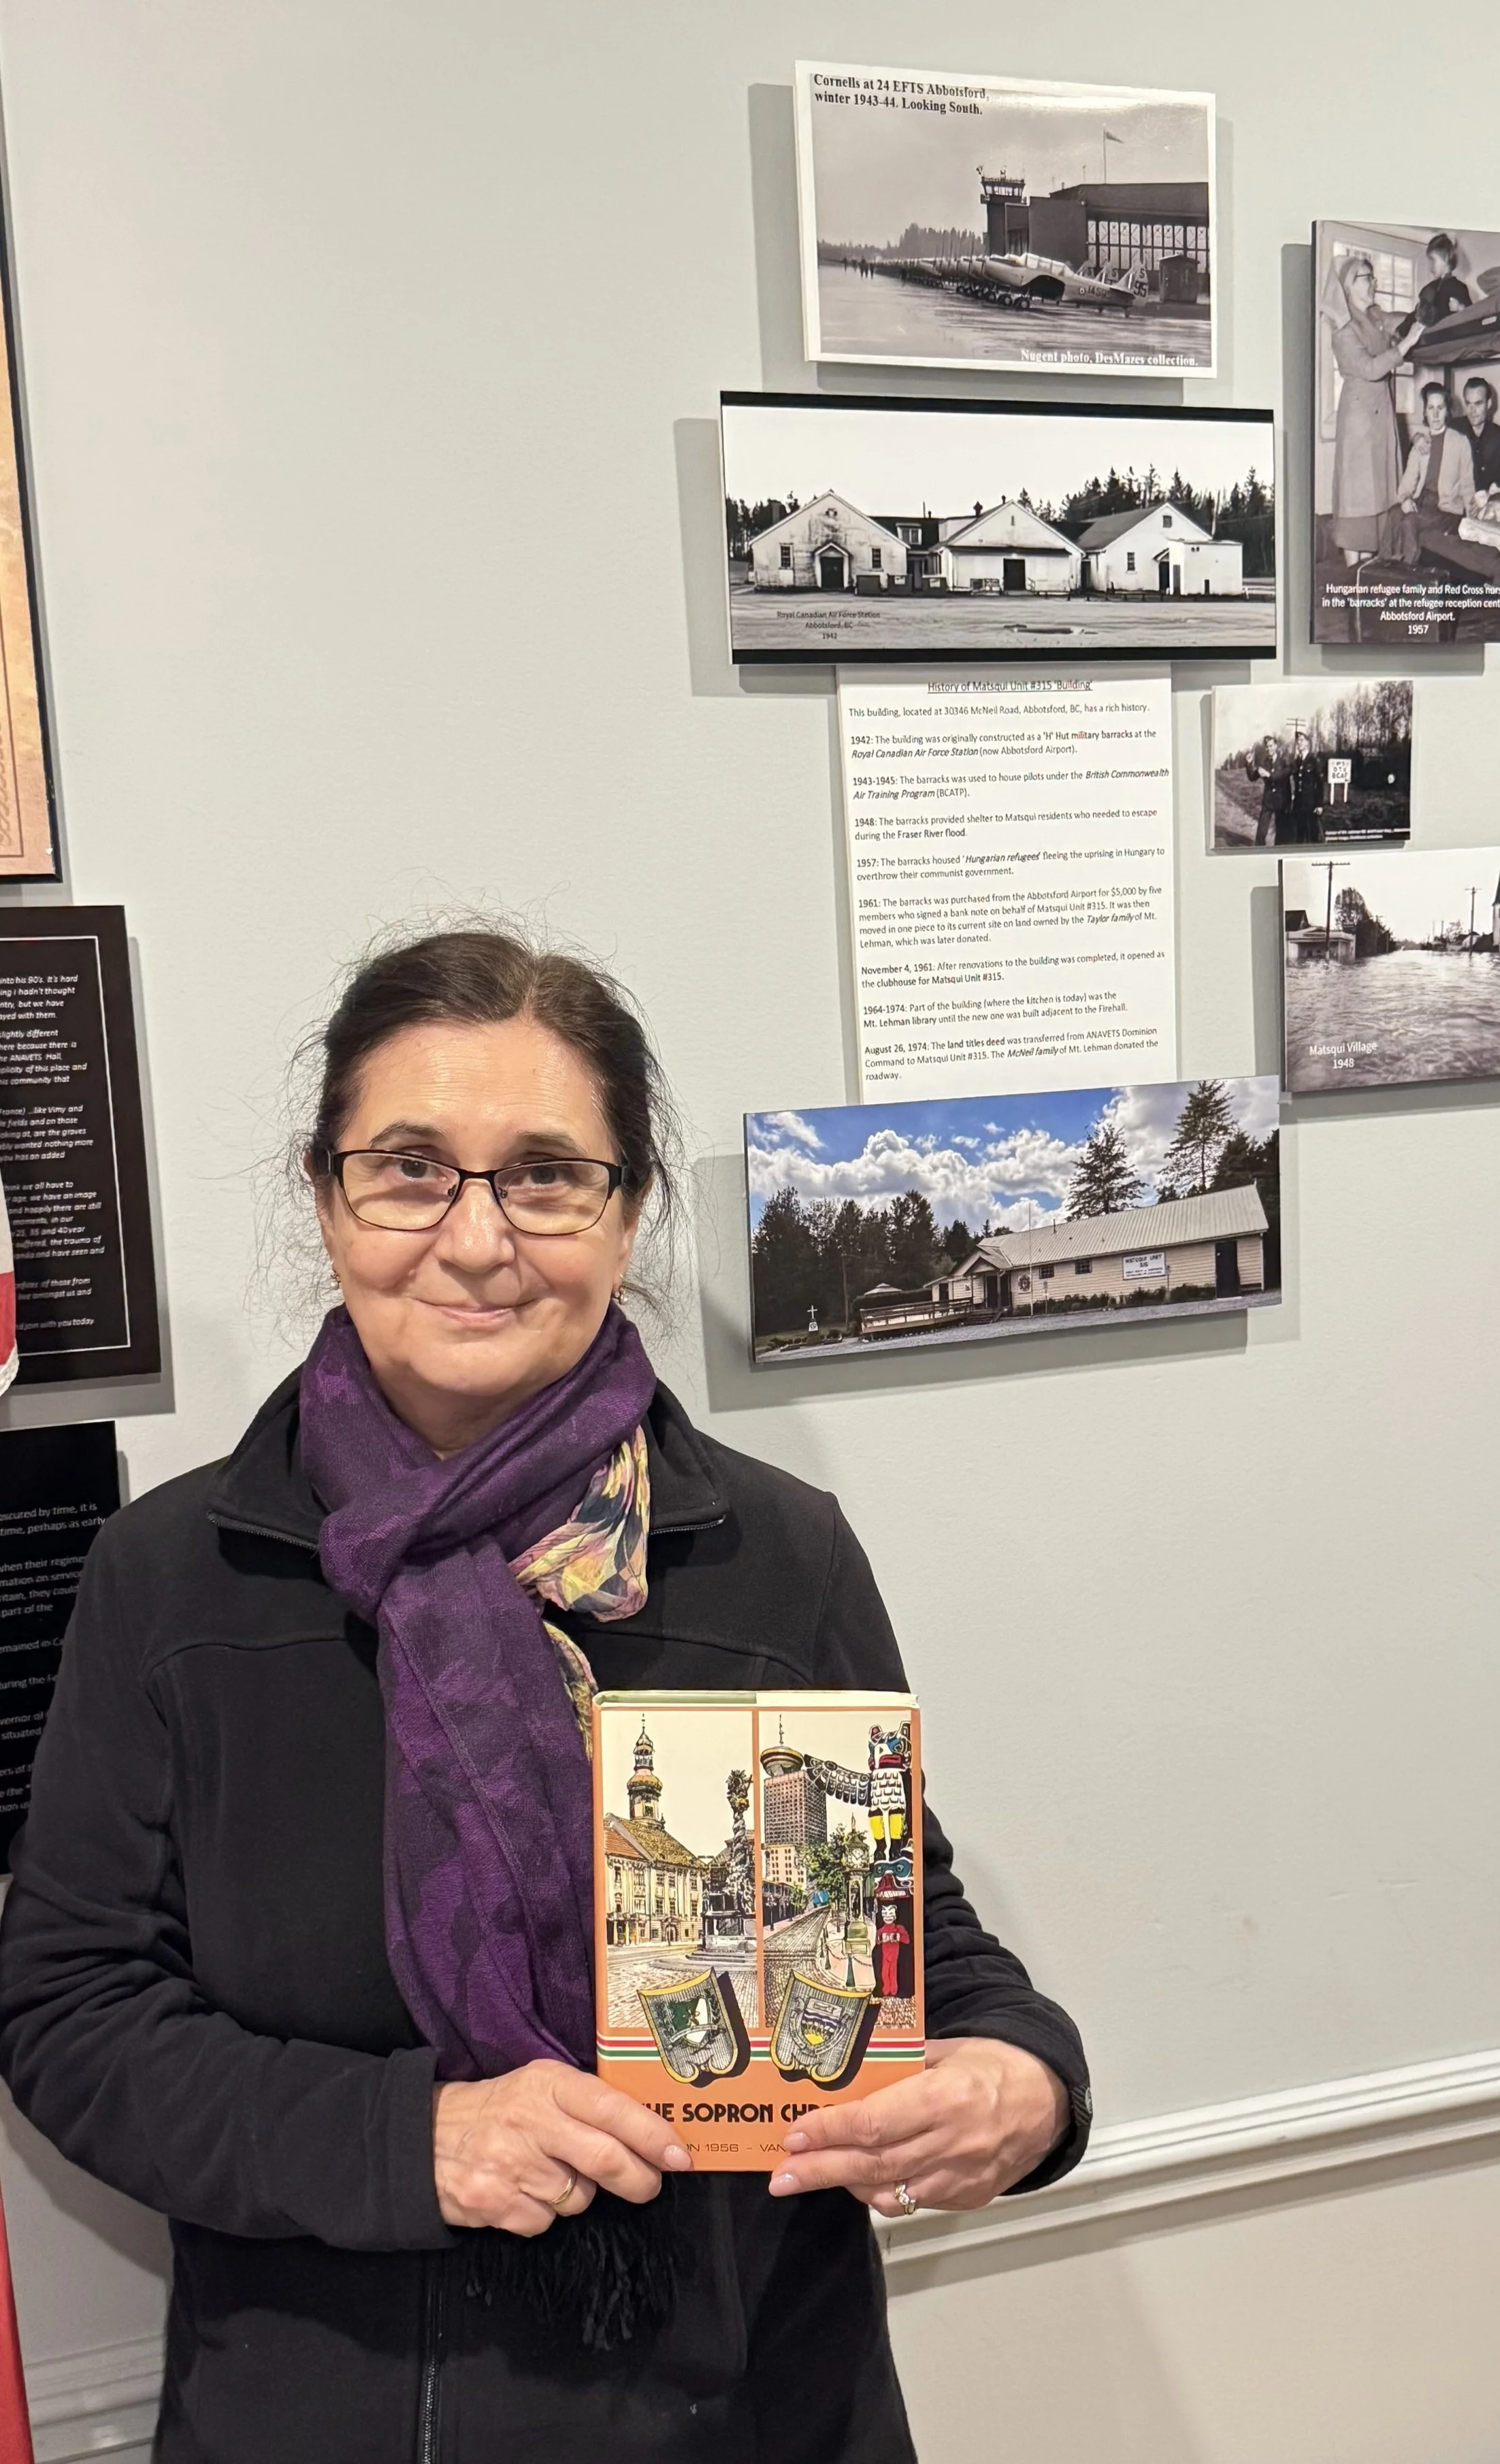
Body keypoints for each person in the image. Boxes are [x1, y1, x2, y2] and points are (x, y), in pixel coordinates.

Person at [0, 929, 1090, 2464]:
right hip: (315, 2415)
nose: (474, 1237)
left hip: (743, 2412)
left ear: (625, 1206)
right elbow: (70, 2017)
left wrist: (1021, 2078)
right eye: (410, 1168)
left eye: (543, 1174)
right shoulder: (179, 1578)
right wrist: (413, 2140)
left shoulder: (766, 1556)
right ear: (325, 1199)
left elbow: (903, 1935)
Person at [1328, 253, 1423, 566]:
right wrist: (1405, 345)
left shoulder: (1374, 317)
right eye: (1367, 277)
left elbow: (1399, 320)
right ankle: (1352, 577)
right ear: (1349, 286)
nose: (1374, 283)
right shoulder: (1344, 329)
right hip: (1359, 424)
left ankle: (1366, 573)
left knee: (1376, 500)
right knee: (1358, 500)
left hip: (1378, 417)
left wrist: (1422, 316)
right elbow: (1369, 368)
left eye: (1372, 277)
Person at [1397, 383, 1500, 580]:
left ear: (1448, 410)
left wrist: (1472, 516)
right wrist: (1405, 498)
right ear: (1425, 411)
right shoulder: (1422, 445)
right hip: (1422, 505)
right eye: (1431, 408)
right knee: (1392, 517)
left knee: (1410, 522)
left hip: (1445, 510)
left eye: (1441, 408)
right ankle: (1382, 576)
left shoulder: (1460, 439)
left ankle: (1406, 578)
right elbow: (1406, 485)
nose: (1436, 414)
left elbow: (1467, 484)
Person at [1395, 233, 1471, 344]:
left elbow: (1471, 313)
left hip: (1446, 336)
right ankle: (1401, 333)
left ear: (1446, 259)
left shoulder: (1457, 286)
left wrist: (1460, 308)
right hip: (1430, 334)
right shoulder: (1431, 288)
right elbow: (1420, 313)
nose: (1431, 266)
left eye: (1433, 261)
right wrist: (1402, 330)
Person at [1456, 374, 1500, 502]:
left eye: (1478, 404)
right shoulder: (1453, 429)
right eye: (1468, 403)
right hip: (1456, 506)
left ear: (1489, 404)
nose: (1472, 411)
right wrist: (1418, 438)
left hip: (1488, 506)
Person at [1276, 730, 1326, 845]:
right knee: (1299, 834)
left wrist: (1319, 804)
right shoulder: (1297, 762)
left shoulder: (1314, 760)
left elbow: (1320, 783)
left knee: (1311, 836)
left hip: (1311, 803)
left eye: (1302, 740)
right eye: (1298, 741)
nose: (1299, 743)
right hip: (1299, 803)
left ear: (1308, 743)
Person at [1245, 732, 1284, 846]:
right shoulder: (1263, 763)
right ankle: (1260, 852)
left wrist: (1268, 775)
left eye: (1271, 746)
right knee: (1261, 832)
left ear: (1276, 746)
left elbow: (1283, 776)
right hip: (1268, 801)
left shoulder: (1283, 762)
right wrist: (1248, 764)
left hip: (1281, 801)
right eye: (1267, 747)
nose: (1269, 749)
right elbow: (1252, 777)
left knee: (1281, 832)